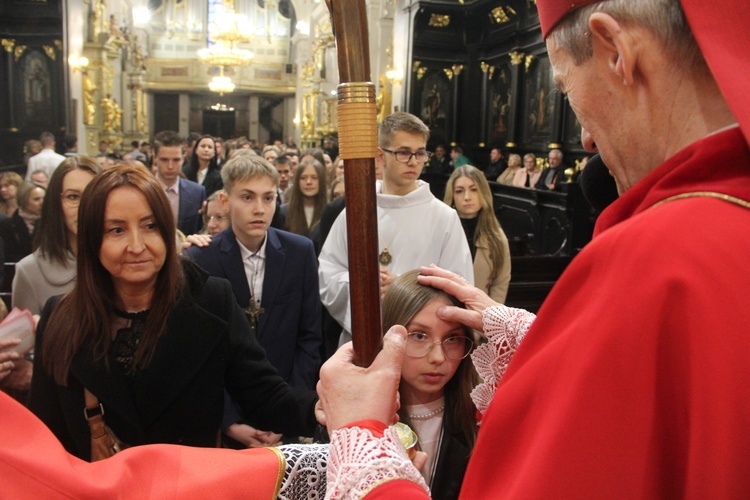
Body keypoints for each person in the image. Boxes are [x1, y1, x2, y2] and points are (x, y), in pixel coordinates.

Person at [317, 0, 750, 496]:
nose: (584, 139)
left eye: (564, 89)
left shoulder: (655, 261)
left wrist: (361, 438)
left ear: (614, 49)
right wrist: (521, 331)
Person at [28, 166, 320, 461]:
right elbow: (47, 437)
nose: (137, 246)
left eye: (150, 226)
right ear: (92, 239)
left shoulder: (209, 301)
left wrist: (320, 408)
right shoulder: (61, 318)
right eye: (116, 230)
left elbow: (264, 394)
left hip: (190, 485)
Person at [184, 154, 322, 445]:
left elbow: (309, 338)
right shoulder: (200, 259)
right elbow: (197, 354)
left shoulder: (300, 252)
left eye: (268, 198)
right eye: (247, 197)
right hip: (224, 418)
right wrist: (229, 421)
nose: (259, 209)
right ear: (225, 201)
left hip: (285, 409)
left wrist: (287, 410)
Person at [319, 112, 474, 346]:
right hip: (362, 342)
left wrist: (402, 290)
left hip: (421, 345)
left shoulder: (444, 218)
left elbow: (460, 290)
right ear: (381, 156)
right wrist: (363, 284)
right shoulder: (356, 212)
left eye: (420, 153)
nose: (413, 161)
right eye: (403, 152)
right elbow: (327, 274)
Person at [383, 270, 478, 499]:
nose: (438, 357)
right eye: (419, 335)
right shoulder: (356, 420)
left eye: (452, 338)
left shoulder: (480, 418)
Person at [12, 156, 101, 315]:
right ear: (56, 204)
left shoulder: (127, 259)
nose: (84, 207)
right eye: (73, 197)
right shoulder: (30, 271)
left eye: (93, 195)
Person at [445, 166, 511, 303]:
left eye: (474, 189)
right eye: (459, 191)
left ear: (483, 192)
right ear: (452, 196)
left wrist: (489, 318)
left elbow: (500, 284)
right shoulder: (442, 230)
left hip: (481, 316)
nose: (467, 197)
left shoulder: (496, 237)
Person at [153, 130, 206, 236]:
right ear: (154, 158)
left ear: (183, 158)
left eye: (176, 160)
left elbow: (200, 230)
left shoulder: (197, 192)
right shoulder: (141, 191)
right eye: (164, 160)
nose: (170, 166)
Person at [282, 158, 327, 238]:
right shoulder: (284, 212)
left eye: (314, 177)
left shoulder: (330, 212)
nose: (308, 182)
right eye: (303, 178)